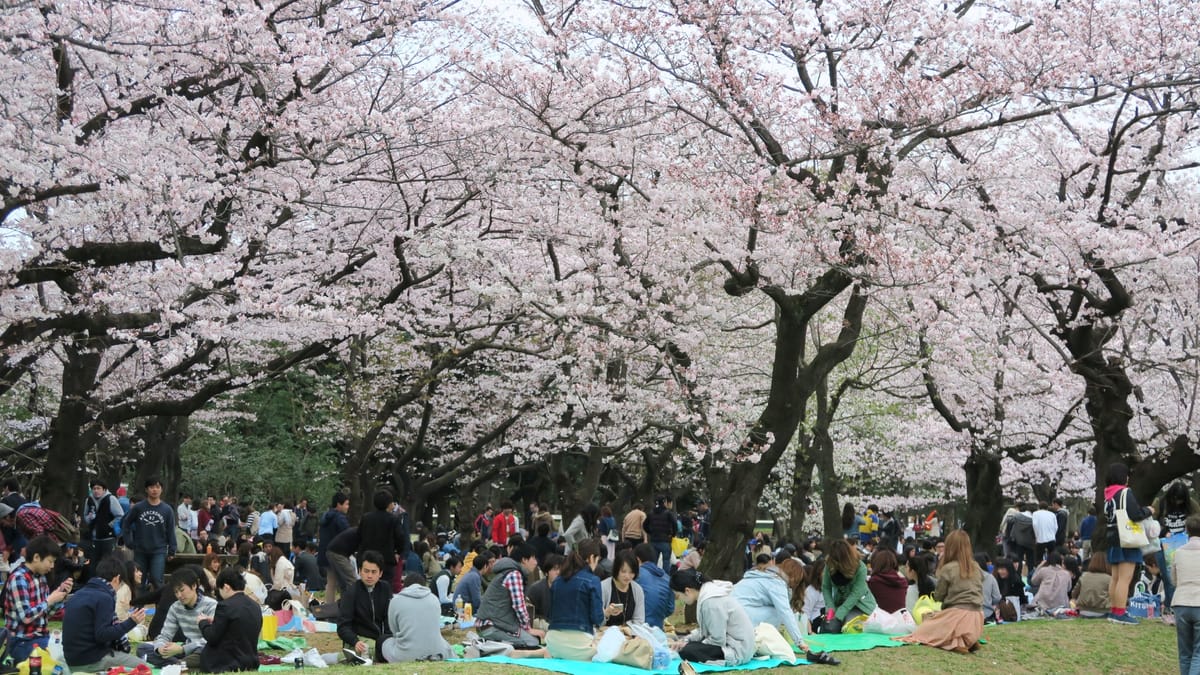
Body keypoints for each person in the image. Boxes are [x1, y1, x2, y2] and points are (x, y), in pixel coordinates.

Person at [900, 530, 983, 654]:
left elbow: (938, 596)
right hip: (977, 617)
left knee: (924, 630)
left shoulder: (948, 568)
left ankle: (957, 643)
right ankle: (968, 639)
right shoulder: (976, 567)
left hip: (957, 615)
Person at [62, 556, 148, 673]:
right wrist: (131, 622)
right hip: (90, 660)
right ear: (117, 579)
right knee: (143, 667)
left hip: (71, 658)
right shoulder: (104, 597)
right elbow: (102, 634)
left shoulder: (80, 593)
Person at [2, 535, 72, 662]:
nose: (52, 566)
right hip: (21, 641)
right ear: (36, 557)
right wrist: (50, 600)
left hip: (40, 637)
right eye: (50, 561)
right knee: (59, 660)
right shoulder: (19, 578)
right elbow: (26, 617)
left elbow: (45, 614)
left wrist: (59, 597)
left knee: (71, 649)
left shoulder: (40, 578)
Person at [669, 568, 756, 667]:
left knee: (687, 651)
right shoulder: (707, 595)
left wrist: (689, 645)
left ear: (687, 591)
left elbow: (717, 640)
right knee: (686, 646)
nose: (680, 599)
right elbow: (705, 630)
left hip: (737, 650)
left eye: (678, 596)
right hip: (736, 644)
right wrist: (686, 639)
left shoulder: (711, 602)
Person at [1104, 461, 1154, 625]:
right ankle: (1120, 612)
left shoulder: (1108, 495)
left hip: (1112, 537)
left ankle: (1114, 610)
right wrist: (1149, 510)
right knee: (1125, 579)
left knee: (1115, 578)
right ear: (1123, 477)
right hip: (1126, 539)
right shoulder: (1125, 492)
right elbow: (1135, 514)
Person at [475, 543, 544, 650]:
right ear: (524, 560)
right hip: (491, 627)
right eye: (534, 558)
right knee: (532, 642)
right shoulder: (514, 574)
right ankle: (491, 647)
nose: (536, 562)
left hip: (490, 624)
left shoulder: (508, 572)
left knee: (532, 640)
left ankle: (492, 645)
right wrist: (528, 629)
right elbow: (519, 606)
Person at [731, 555, 809, 650]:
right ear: (794, 577)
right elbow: (785, 612)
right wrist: (800, 641)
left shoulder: (763, 576)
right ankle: (763, 640)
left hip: (731, 614)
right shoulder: (776, 583)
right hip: (741, 617)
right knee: (777, 612)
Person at [545, 539, 604, 661]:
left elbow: (550, 614)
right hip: (580, 645)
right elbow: (597, 618)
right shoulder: (593, 580)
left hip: (553, 644)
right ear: (592, 558)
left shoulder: (557, 581)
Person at [149, 567, 218, 667]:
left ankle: (179, 664)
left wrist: (183, 649)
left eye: (182, 590)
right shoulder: (175, 607)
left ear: (194, 586)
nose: (179, 595)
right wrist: (161, 648)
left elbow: (212, 639)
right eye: (176, 592)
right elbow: (165, 635)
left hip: (203, 648)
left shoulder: (211, 605)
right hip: (184, 650)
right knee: (143, 649)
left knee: (208, 651)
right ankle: (181, 664)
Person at [196, 567, 261, 672]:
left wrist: (202, 622)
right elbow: (239, 626)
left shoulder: (225, 606)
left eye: (219, 589)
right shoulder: (255, 606)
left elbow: (212, 636)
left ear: (226, 587)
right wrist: (215, 621)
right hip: (250, 661)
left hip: (227, 663)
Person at [380, 571, 452, 663]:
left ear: (404, 586)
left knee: (382, 640)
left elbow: (394, 631)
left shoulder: (396, 600)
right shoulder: (434, 599)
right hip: (437, 653)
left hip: (405, 656)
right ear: (424, 586)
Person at [122, 477, 177, 590]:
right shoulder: (138, 507)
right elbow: (126, 524)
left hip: (159, 550)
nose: (155, 490)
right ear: (146, 489)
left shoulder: (167, 509)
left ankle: (159, 606)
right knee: (138, 581)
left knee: (157, 580)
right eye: (152, 487)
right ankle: (138, 605)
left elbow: (171, 530)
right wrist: (129, 541)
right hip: (140, 549)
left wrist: (172, 549)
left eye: (157, 487)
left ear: (161, 489)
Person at [336, 550, 391, 662]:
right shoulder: (351, 592)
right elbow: (342, 627)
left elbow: (388, 619)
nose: (369, 576)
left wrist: (388, 639)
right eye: (366, 571)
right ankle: (341, 657)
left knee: (390, 649)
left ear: (380, 573)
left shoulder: (385, 589)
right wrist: (355, 641)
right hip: (358, 641)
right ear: (360, 571)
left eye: (373, 572)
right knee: (375, 651)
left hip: (379, 640)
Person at [1155, 481, 1200, 609]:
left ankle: (1182, 606)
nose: (1177, 502)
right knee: (1168, 579)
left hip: (1186, 547)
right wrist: (1164, 531)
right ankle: (1170, 608)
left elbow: (1197, 522)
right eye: (1175, 499)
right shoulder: (1161, 503)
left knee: (1183, 577)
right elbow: (1151, 523)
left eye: (1180, 500)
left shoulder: (1192, 505)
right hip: (1164, 547)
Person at [820, 539, 877, 633]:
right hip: (840, 603)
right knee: (828, 626)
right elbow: (826, 587)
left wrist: (839, 614)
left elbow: (856, 594)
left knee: (846, 625)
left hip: (861, 606)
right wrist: (830, 607)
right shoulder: (829, 564)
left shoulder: (860, 567)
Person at [358, 490, 408, 584]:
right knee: (385, 588)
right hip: (386, 559)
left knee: (367, 587)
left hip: (367, 558)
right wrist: (398, 552)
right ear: (388, 504)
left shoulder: (366, 518)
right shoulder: (393, 519)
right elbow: (400, 537)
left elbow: (359, 536)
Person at [1171, 514, 1200, 674]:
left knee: (1185, 652)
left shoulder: (1178, 552)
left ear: (1187, 530)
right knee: (1199, 653)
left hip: (1181, 601)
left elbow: (1173, 579)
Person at [82, 479, 124, 574]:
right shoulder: (89, 500)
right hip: (94, 537)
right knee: (93, 563)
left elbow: (120, 515)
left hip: (107, 537)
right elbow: (85, 514)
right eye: (94, 488)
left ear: (104, 489)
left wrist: (109, 525)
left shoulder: (110, 499)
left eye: (98, 488)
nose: (96, 491)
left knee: (107, 563)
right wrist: (89, 520)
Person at [317, 493, 351, 604]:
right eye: (346, 504)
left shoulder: (325, 516)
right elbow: (348, 534)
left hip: (324, 554)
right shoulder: (339, 518)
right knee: (344, 581)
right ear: (338, 504)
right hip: (337, 553)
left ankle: (329, 607)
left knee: (330, 582)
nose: (348, 507)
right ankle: (345, 605)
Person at [634, 543, 674, 629]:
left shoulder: (636, 574)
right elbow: (670, 608)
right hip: (658, 627)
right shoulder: (667, 578)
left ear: (637, 559)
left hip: (637, 627)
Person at [600, 550, 645, 626]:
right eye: (623, 571)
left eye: (631, 572)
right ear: (616, 569)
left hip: (629, 634)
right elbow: (596, 622)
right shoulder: (603, 587)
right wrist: (606, 613)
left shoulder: (638, 590)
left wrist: (627, 630)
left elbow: (639, 621)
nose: (627, 576)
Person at [867, 549, 908, 613]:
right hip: (901, 618)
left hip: (881, 619)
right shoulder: (903, 581)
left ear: (877, 563)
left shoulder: (873, 582)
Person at [1073, 553, 1111, 618]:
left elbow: (1074, 594)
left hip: (1083, 611)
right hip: (1102, 612)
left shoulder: (1084, 576)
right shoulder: (1109, 578)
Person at [644, 496, 678, 568]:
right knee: (666, 561)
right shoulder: (668, 513)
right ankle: (665, 578)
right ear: (664, 502)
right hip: (665, 540)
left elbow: (644, 525)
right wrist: (673, 534)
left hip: (654, 540)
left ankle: (653, 577)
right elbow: (675, 524)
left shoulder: (651, 513)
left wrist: (650, 532)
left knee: (653, 561)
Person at [525, 554, 562, 621]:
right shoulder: (536, 589)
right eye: (555, 569)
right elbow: (530, 613)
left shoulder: (568, 589)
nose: (558, 572)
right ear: (546, 573)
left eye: (561, 569)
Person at [974, 553, 1001, 623]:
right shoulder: (990, 577)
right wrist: (988, 601)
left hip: (971, 614)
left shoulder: (966, 578)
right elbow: (997, 597)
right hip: (987, 614)